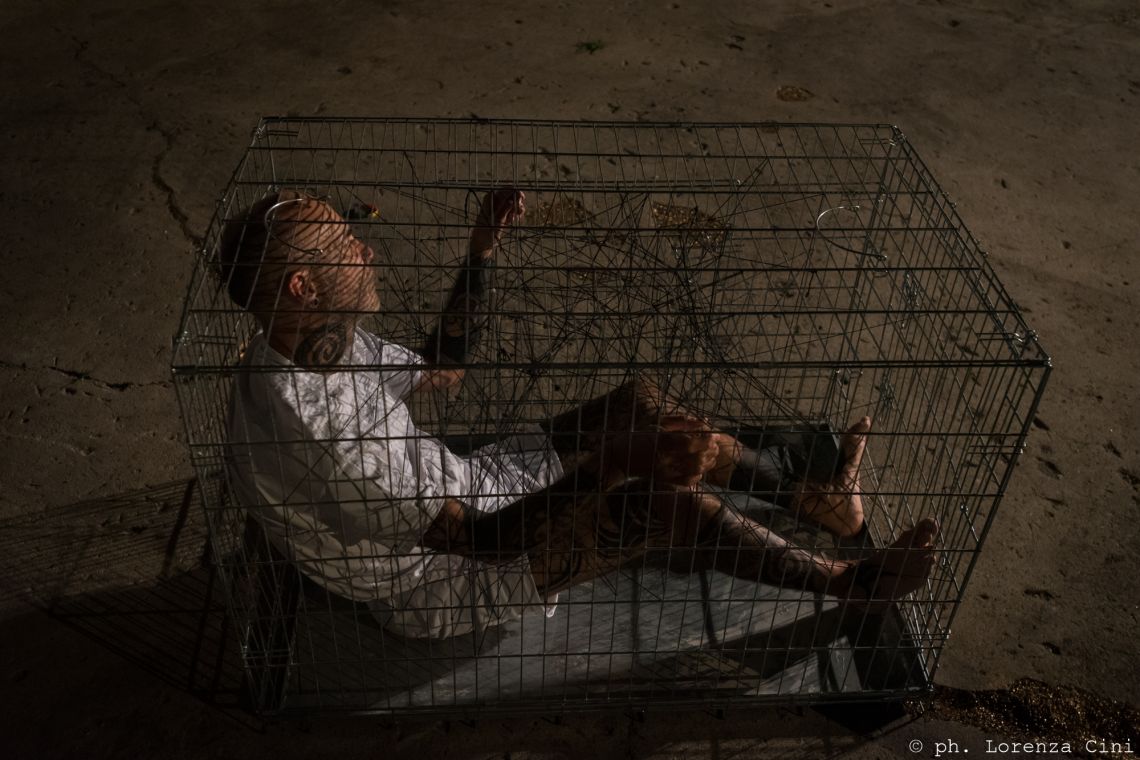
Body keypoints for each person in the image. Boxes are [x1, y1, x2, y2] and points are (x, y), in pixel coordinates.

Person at [222, 187, 938, 640]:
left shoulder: (309, 344)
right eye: (345, 245)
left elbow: (442, 368)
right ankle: (849, 584)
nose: (366, 247)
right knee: (658, 501)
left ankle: (821, 502)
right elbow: (484, 545)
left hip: (471, 484)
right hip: (447, 582)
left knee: (641, 404)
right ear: (302, 286)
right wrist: (614, 465)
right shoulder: (329, 441)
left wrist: (481, 252)